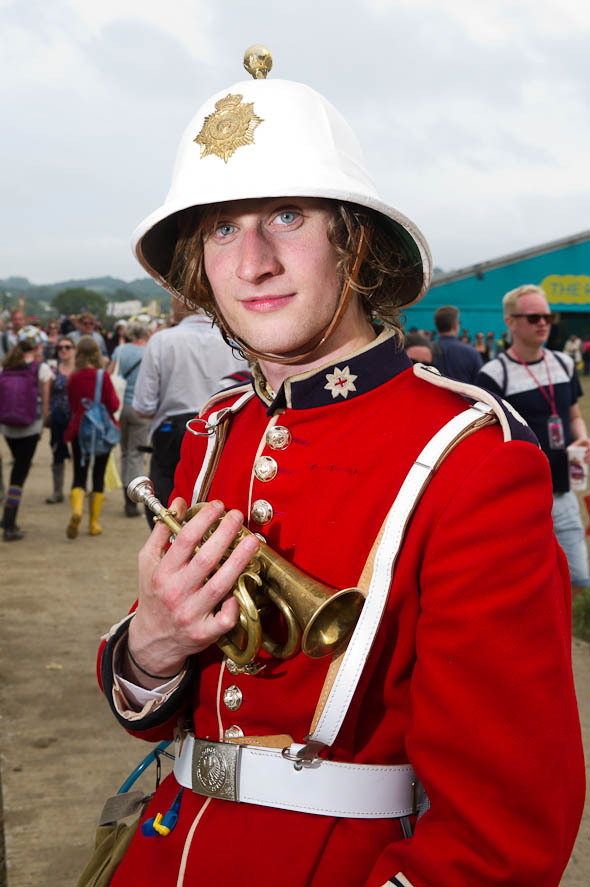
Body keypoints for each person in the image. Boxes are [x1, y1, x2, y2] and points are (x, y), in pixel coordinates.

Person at [96, 49, 584, 887]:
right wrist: (150, 647)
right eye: (220, 227)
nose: (251, 262)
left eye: (286, 215)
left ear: (354, 241)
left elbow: (501, 840)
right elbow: (160, 717)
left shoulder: (471, 457)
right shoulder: (215, 431)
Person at [476, 284, 590, 598]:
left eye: (548, 317)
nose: (543, 323)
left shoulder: (564, 364)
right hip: (520, 497)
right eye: (534, 317)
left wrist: (582, 437)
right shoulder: (493, 375)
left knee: (579, 575)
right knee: (525, 585)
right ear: (511, 322)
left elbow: (573, 415)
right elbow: (487, 442)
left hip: (563, 491)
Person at [132, 297, 248, 525]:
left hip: (171, 433)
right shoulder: (234, 343)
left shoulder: (161, 341)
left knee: (165, 511)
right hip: (222, 429)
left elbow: (143, 407)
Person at [64, 336, 119, 538]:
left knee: (79, 473)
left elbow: (71, 406)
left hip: (79, 429)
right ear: (97, 353)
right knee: (98, 474)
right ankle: (93, 523)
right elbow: (114, 405)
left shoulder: (73, 377)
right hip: (102, 432)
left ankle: (77, 510)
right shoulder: (102, 376)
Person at [0, 326, 51, 540]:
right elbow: (45, 402)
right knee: (19, 475)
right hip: (30, 426)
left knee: (17, 469)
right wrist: (41, 427)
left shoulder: (6, 367)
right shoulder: (42, 368)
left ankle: (9, 517)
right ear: (37, 346)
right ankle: (9, 521)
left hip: (8, 428)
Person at [109, 319, 151, 516]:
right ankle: (132, 501)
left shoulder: (120, 350)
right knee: (136, 454)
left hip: (120, 406)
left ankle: (126, 493)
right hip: (139, 408)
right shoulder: (149, 351)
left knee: (125, 451)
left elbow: (111, 374)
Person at [45, 335, 75, 503]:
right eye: (60, 348)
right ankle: (57, 491)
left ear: (74, 349)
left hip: (76, 418)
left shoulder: (79, 369)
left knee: (78, 455)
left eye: (67, 347)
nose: (63, 350)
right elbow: (47, 393)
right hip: (57, 417)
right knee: (57, 452)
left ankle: (78, 488)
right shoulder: (53, 369)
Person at [430, 306, 482, 382]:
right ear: (455, 325)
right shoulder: (472, 352)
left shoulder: (428, 349)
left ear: (436, 325)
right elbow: (480, 385)